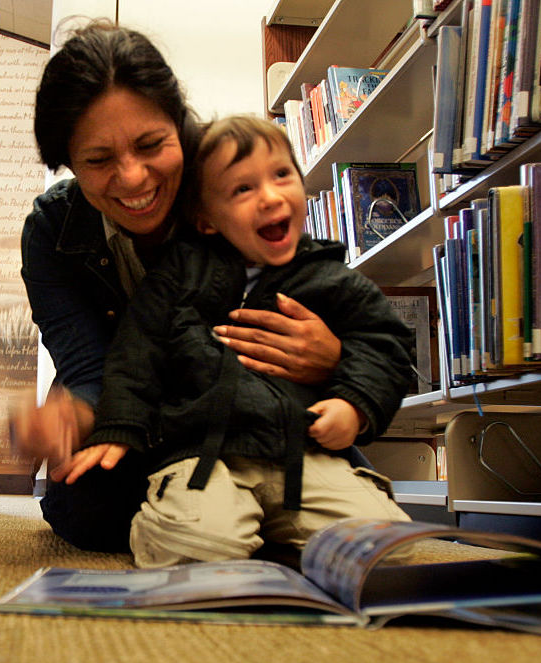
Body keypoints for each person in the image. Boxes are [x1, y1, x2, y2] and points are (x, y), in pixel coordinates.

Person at [14, 19, 344, 553]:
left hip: (249, 411)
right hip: (132, 421)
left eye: (151, 145)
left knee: (346, 511)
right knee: (89, 511)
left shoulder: (238, 182)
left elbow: (330, 311)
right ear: (67, 162)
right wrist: (71, 417)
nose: (134, 177)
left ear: (179, 125)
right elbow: (87, 370)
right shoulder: (52, 231)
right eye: (98, 161)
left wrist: (333, 359)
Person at [57, 115, 414, 568]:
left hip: (303, 455)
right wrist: (119, 428)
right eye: (242, 190)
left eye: (282, 175)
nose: (269, 197)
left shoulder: (331, 277)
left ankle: (285, 537)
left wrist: (355, 404)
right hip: (203, 456)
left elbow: (386, 344)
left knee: (383, 552)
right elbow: (135, 355)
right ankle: (189, 531)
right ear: (206, 220)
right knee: (197, 548)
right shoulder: (178, 276)